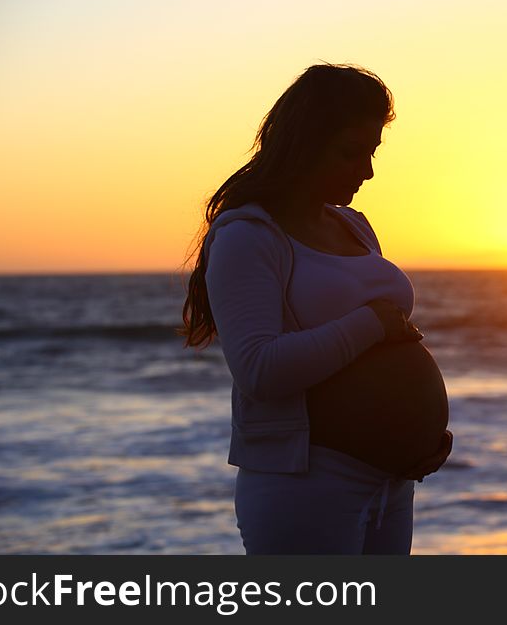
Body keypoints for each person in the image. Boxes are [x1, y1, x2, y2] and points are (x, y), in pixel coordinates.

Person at [181, 62, 453, 554]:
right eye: (350, 153)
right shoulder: (248, 236)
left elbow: (389, 345)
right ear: (303, 145)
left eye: (371, 153)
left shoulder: (355, 227)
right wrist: (370, 324)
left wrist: (420, 434)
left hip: (391, 483)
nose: (367, 171)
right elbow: (259, 368)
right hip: (306, 485)